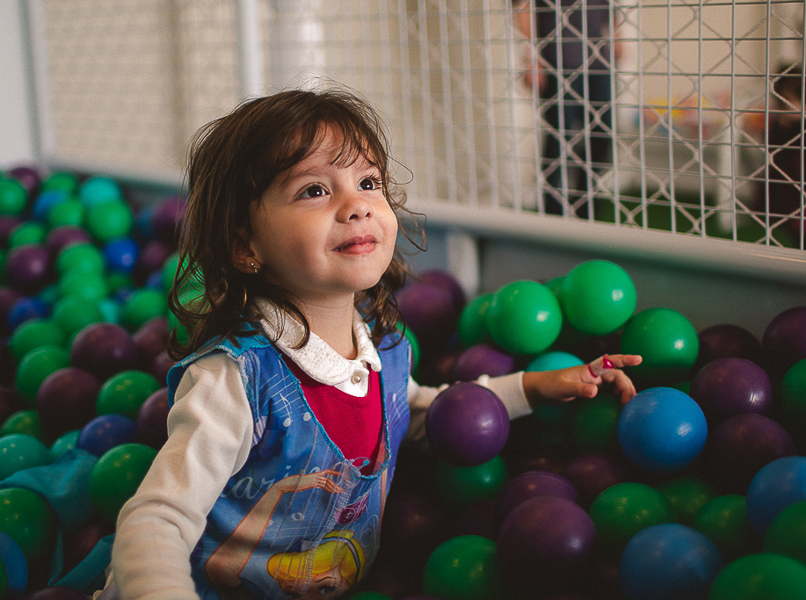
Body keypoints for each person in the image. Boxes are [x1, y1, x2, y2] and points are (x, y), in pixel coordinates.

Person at [96, 87, 642, 600]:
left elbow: (417, 414)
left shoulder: (384, 344)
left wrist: (535, 388)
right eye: (314, 190)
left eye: (369, 182)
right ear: (246, 246)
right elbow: (156, 519)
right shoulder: (237, 379)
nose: (356, 205)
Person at [514, 0, 620, 217]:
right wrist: (531, 58)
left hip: (598, 60)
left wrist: (617, 36)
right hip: (558, 60)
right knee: (559, 137)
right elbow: (523, 5)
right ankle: (552, 211)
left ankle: (585, 206)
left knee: (602, 133)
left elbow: (610, 8)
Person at [755, 63, 804, 245]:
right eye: (781, 104)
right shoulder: (777, 123)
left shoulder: (799, 127)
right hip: (783, 185)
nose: (784, 111)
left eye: (789, 103)